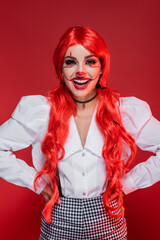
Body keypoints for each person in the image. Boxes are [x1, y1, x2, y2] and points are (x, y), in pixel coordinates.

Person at [0, 26, 160, 240]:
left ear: (102, 67)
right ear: (61, 69)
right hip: (58, 218)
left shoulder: (123, 111)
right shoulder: (41, 111)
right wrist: (37, 183)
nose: (80, 71)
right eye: (71, 62)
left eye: (90, 61)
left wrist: (128, 185)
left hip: (107, 217)